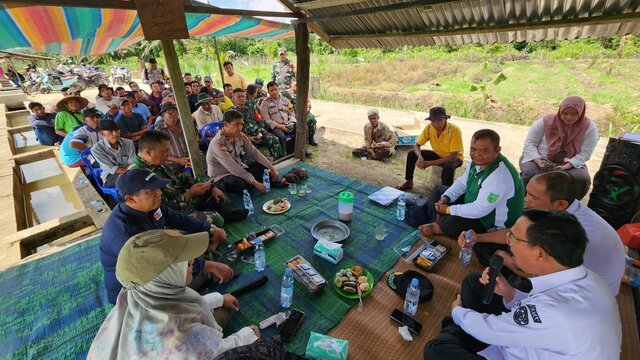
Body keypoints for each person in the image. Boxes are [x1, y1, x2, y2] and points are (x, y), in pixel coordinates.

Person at [424, 209, 622, 360]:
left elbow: (497, 329)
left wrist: (458, 312)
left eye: (513, 238)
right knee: (474, 283)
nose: (508, 242)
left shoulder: (555, 312)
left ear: (539, 253)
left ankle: (456, 330)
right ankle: (461, 331)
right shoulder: (588, 278)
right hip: (536, 343)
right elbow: (540, 309)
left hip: (514, 351)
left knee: (436, 350)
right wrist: (510, 294)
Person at [88, 229, 260, 359]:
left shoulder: (139, 291)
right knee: (224, 318)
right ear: (165, 276)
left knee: (221, 309)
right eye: (184, 261)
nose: (193, 260)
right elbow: (211, 353)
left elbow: (180, 306)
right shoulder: (176, 337)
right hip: (176, 349)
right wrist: (248, 335)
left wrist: (219, 298)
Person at [459, 170, 625, 295]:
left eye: (533, 197)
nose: (526, 200)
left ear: (560, 204)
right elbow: (518, 232)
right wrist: (478, 238)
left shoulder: (572, 232)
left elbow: (539, 273)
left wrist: (505, 259)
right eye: (527, 193)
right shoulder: (564, 212)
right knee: (483, 246)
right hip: (574, 274)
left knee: (487, 276)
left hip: (582, 295)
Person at [99, 168, 230, 304]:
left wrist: (210, 228)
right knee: (190, 278)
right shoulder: (124, 234)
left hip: (157, 254)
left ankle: (205, 258)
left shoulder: (151, 206)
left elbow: (180, 219)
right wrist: (208, 266)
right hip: (137, 289)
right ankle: (206, 264)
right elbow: (159, 263)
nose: (159, 193)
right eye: (151, 191)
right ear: (130, 199)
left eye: (158, 188)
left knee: (186, 239)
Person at [419, 129, 524, 238]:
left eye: (484, 151)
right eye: (473, 149)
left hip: (490, 222)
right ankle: (440, 222)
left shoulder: (499, 176)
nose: (476, 155)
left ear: (497, 150)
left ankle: (440, 226)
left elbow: (479, 210)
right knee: (438, 193)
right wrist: (446, 198)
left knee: (451, 223)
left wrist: (448, 210)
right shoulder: (476, 162)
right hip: (475, 203)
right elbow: (462, 182)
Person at [130, 131, 247, 225]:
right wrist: (189, 195)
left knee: (211, 189)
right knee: (216, 219)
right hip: (169, 217)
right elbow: (163, 210)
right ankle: (216, 219)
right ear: (148, 152)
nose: (167, 155)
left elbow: (181, 180)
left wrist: (210, 187)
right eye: (165, 152)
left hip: (181, 202)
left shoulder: (157, 164)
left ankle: (222, 214)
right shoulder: (137, 176)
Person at [520, 96, 598, 200]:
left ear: (581, 112)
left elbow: (585, 154)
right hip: (538, 159)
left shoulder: (589, 127)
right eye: (565, 113)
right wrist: (539, 162)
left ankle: (567, 207)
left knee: (581, 179)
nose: (569, 117)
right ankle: (525, 200)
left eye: (574, 114)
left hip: (570, 163)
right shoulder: (546, 121)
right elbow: (529, 144)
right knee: (530, 173)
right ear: (560, 111)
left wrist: (565, 167)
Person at [206, 110, 279, 194]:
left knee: (263, 167)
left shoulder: (240, 135)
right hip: (222, 176)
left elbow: (255, 153)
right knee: (239, 184)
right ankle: (250, 185)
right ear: (226, 124)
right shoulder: (218, 143)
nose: (240, 127)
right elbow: (232, 167)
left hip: (239, 168)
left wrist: (271, 168)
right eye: (236, 124)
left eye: (241, 124)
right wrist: (255, 182)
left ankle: (250, 184)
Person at [397, 106, 464, 190]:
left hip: (455, 158)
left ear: (445, 119)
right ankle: (409, 182)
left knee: (448, 167)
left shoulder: (454, 130)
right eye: (433, 120)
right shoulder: (429, 128)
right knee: (412, 154)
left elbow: (452, 157)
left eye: (439, 120)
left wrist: (430, 163)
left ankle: (445, 193)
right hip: (438, 154)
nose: (436, 123)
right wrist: (420, 157)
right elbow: (416, 145)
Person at [232, 88, 283, 159]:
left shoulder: (251, 107)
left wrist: (260, 132)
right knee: (247, 151)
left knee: (274, 140)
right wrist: (249, 138)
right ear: (233, 99)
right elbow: (235, 131)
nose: (241, 98)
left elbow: (260, 119)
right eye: (238, 97)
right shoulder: (232, 113)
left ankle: (277, 161)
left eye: (243, 96)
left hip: (259, 133)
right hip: (245, 138)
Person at [90, 119, 136, 186]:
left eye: (117, 130)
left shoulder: (128, 143)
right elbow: (111, 169)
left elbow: (132, 162)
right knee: (132, 181)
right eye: (111, 131)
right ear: (102, 133)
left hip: (130, 170)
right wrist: (132, 173)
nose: (115, 134)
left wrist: (132, 172)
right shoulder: (96, 149)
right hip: (111, 175)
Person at [260, 81, 298, 156]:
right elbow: (267, 120)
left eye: (275, 89)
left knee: (300, 130)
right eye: (271, 90)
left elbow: (291, 113)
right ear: (268, 91)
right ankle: (283, 154)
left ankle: (296, 150)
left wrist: (291, 122)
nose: (274, 92)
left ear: (278, 89)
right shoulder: (265, 103)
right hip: (276, 126)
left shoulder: (286, 100)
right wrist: (281, 127)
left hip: (288, 123)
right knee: (281, 137)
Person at [154, 104, 191, 170]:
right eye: (169, 112)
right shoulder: (159, 131)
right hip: (172, 164)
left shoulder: (184, 124)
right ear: (163, 115)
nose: (173, 114)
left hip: (190, 158)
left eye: (175, 111)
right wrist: (178, 160)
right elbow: (159, 153)